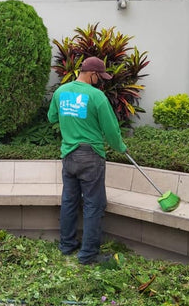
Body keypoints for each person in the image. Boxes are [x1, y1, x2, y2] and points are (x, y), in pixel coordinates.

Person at [47, 56, 127, 265]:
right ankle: (88, 254)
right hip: (91, 156)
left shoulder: (60, 92)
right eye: (99, 77)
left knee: (69, 201)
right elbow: (110, 129)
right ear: (91, 74)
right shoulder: (96, 96)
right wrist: (120, 147)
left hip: (69, 155)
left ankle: (67, 245)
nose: (99, 81)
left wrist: (71, 120)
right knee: (93, 204)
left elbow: (52, 117)